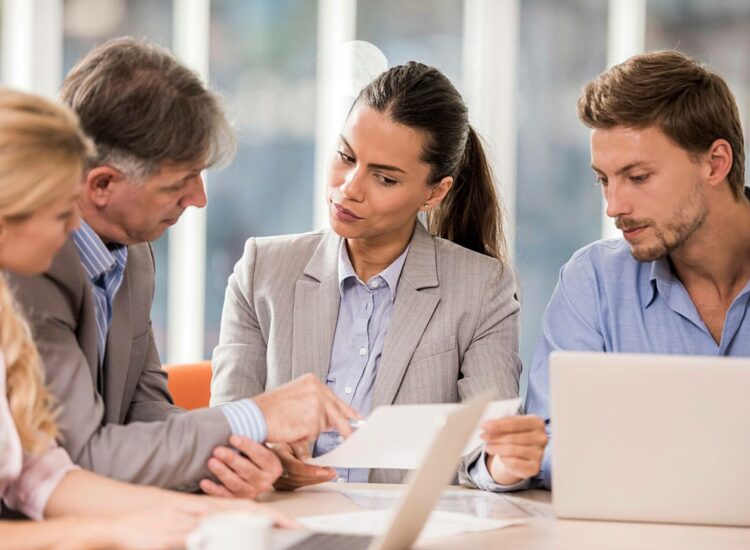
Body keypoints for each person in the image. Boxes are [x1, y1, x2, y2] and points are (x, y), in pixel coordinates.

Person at [8, 37, 357, 500]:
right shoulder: (25, 271)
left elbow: (142, 406)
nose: (199, 199)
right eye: (178, 183)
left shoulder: (133, 253)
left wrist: (236, 454)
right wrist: (256, 415)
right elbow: (82, 454)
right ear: (103, 185)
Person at [211, 62, 547, 490]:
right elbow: (228, 431)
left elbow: (486, 452)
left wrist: (508, 464)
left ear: (434, 192)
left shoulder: (481, 288)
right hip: (288, 523)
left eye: (384, 178)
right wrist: (268, 461)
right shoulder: (263, 271)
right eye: (346, 156)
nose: (350, 187)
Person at [0, 88, 293, 550]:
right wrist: (105, 532)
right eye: (61, 213)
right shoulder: (32, 291)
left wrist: (202, 511)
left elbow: (40, 478)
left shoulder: (6, 317)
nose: (75, 230)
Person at [525, 50, 750, 489]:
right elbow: (550, 440)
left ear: (715, 162)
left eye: (638, 177)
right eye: (604, 179)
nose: (614, 207)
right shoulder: (592, 283)